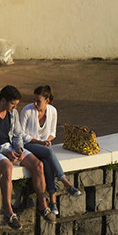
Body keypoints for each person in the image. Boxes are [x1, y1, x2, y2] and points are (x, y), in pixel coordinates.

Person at [0, 85, 56, 229]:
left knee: (38, 165)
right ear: (3, 100)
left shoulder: (12, 113)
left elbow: (18, 135)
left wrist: (19, 149)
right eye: (13, 104)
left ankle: (42, 205)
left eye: (16, 104)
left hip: (10, 147)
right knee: (7, 167)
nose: (15, 107)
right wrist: (5, 152)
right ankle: (9, 212)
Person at [20, 85, 82, 216]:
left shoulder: (53, 111)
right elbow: (21, 135)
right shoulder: (27, 111)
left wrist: (47, 140)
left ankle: (53, 202)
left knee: (46, 164)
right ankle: (65, 181)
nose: (35, 103)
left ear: (47, 100)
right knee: (48, 152)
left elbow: (53, 132)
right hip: (28, 145)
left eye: (39, 101)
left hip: (43, 146)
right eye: (34, 100)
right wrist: (40, 142)